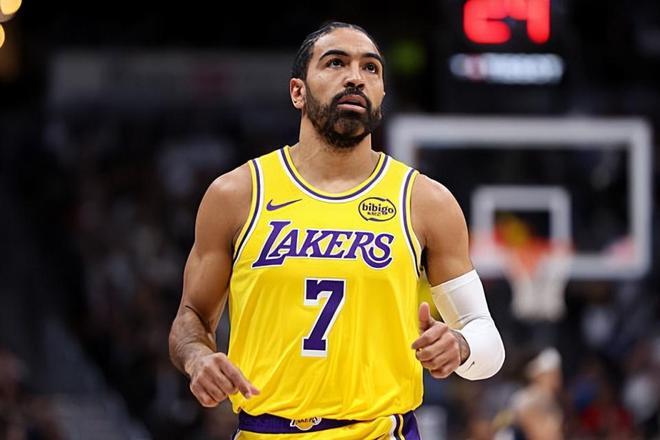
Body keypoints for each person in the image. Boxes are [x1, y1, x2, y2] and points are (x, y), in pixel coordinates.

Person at [169, 21, 505, 439]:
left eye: (371, 68)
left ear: (382, 95)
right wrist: (198, 358)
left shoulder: (426, 202)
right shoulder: (236, 195)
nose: (355, 77)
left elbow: (486, 338)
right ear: (297, 91)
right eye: (335, 63)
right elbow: (191, 318)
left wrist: (460, 345)